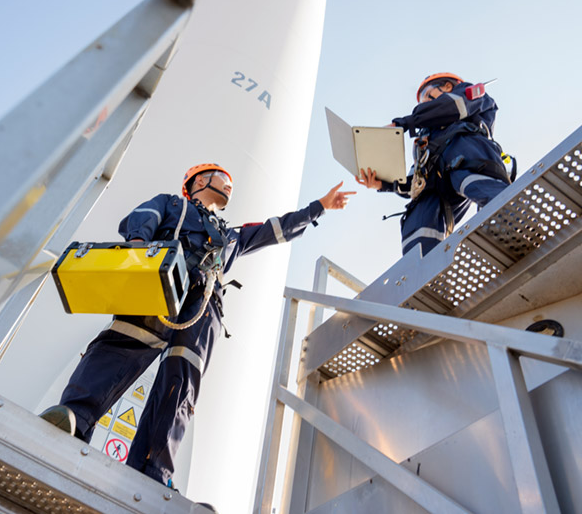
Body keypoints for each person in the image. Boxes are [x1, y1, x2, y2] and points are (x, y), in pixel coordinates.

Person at [40, 163, 355, 486]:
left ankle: (153, 469)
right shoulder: (173, 204)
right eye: (224, 179)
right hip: (161, 277)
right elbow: (144, 216)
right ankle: (76, 418)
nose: (230, 185)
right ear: (200, 180)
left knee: (182, 378)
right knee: (121, 346)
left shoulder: (231, 236)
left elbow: (275, 228)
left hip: (203, 305)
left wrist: (320, 207)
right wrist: (138, 244)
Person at [356, 72, 510, 256]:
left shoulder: (472, 94)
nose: (422, 104)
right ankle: (421, 268)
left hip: (467, 156)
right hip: (438, 181)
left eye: (426, 96)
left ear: (446, 86)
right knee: (421, 207)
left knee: (471, 176)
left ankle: (512, 224)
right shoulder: (426, 137)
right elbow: (416, 181)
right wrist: (384, 184)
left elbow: (449, 107)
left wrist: (404, 123)